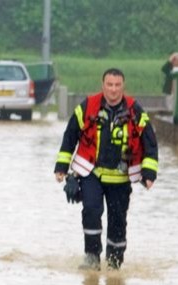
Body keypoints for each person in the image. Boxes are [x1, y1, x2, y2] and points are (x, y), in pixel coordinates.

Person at [54, 68, 158, 271]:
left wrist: (149, 173)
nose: (113, 90)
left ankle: (114, 264)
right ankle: (92, 257)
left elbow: (150, 142)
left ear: (123, 86)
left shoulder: (135, 110)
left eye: (117, 85)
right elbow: (70, 135)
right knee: (91, 210)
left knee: (118, 221)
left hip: (120, 178)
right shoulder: (88, 106)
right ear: (103, 86)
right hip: (92, 172)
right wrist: (61, 168)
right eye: (109, 85)